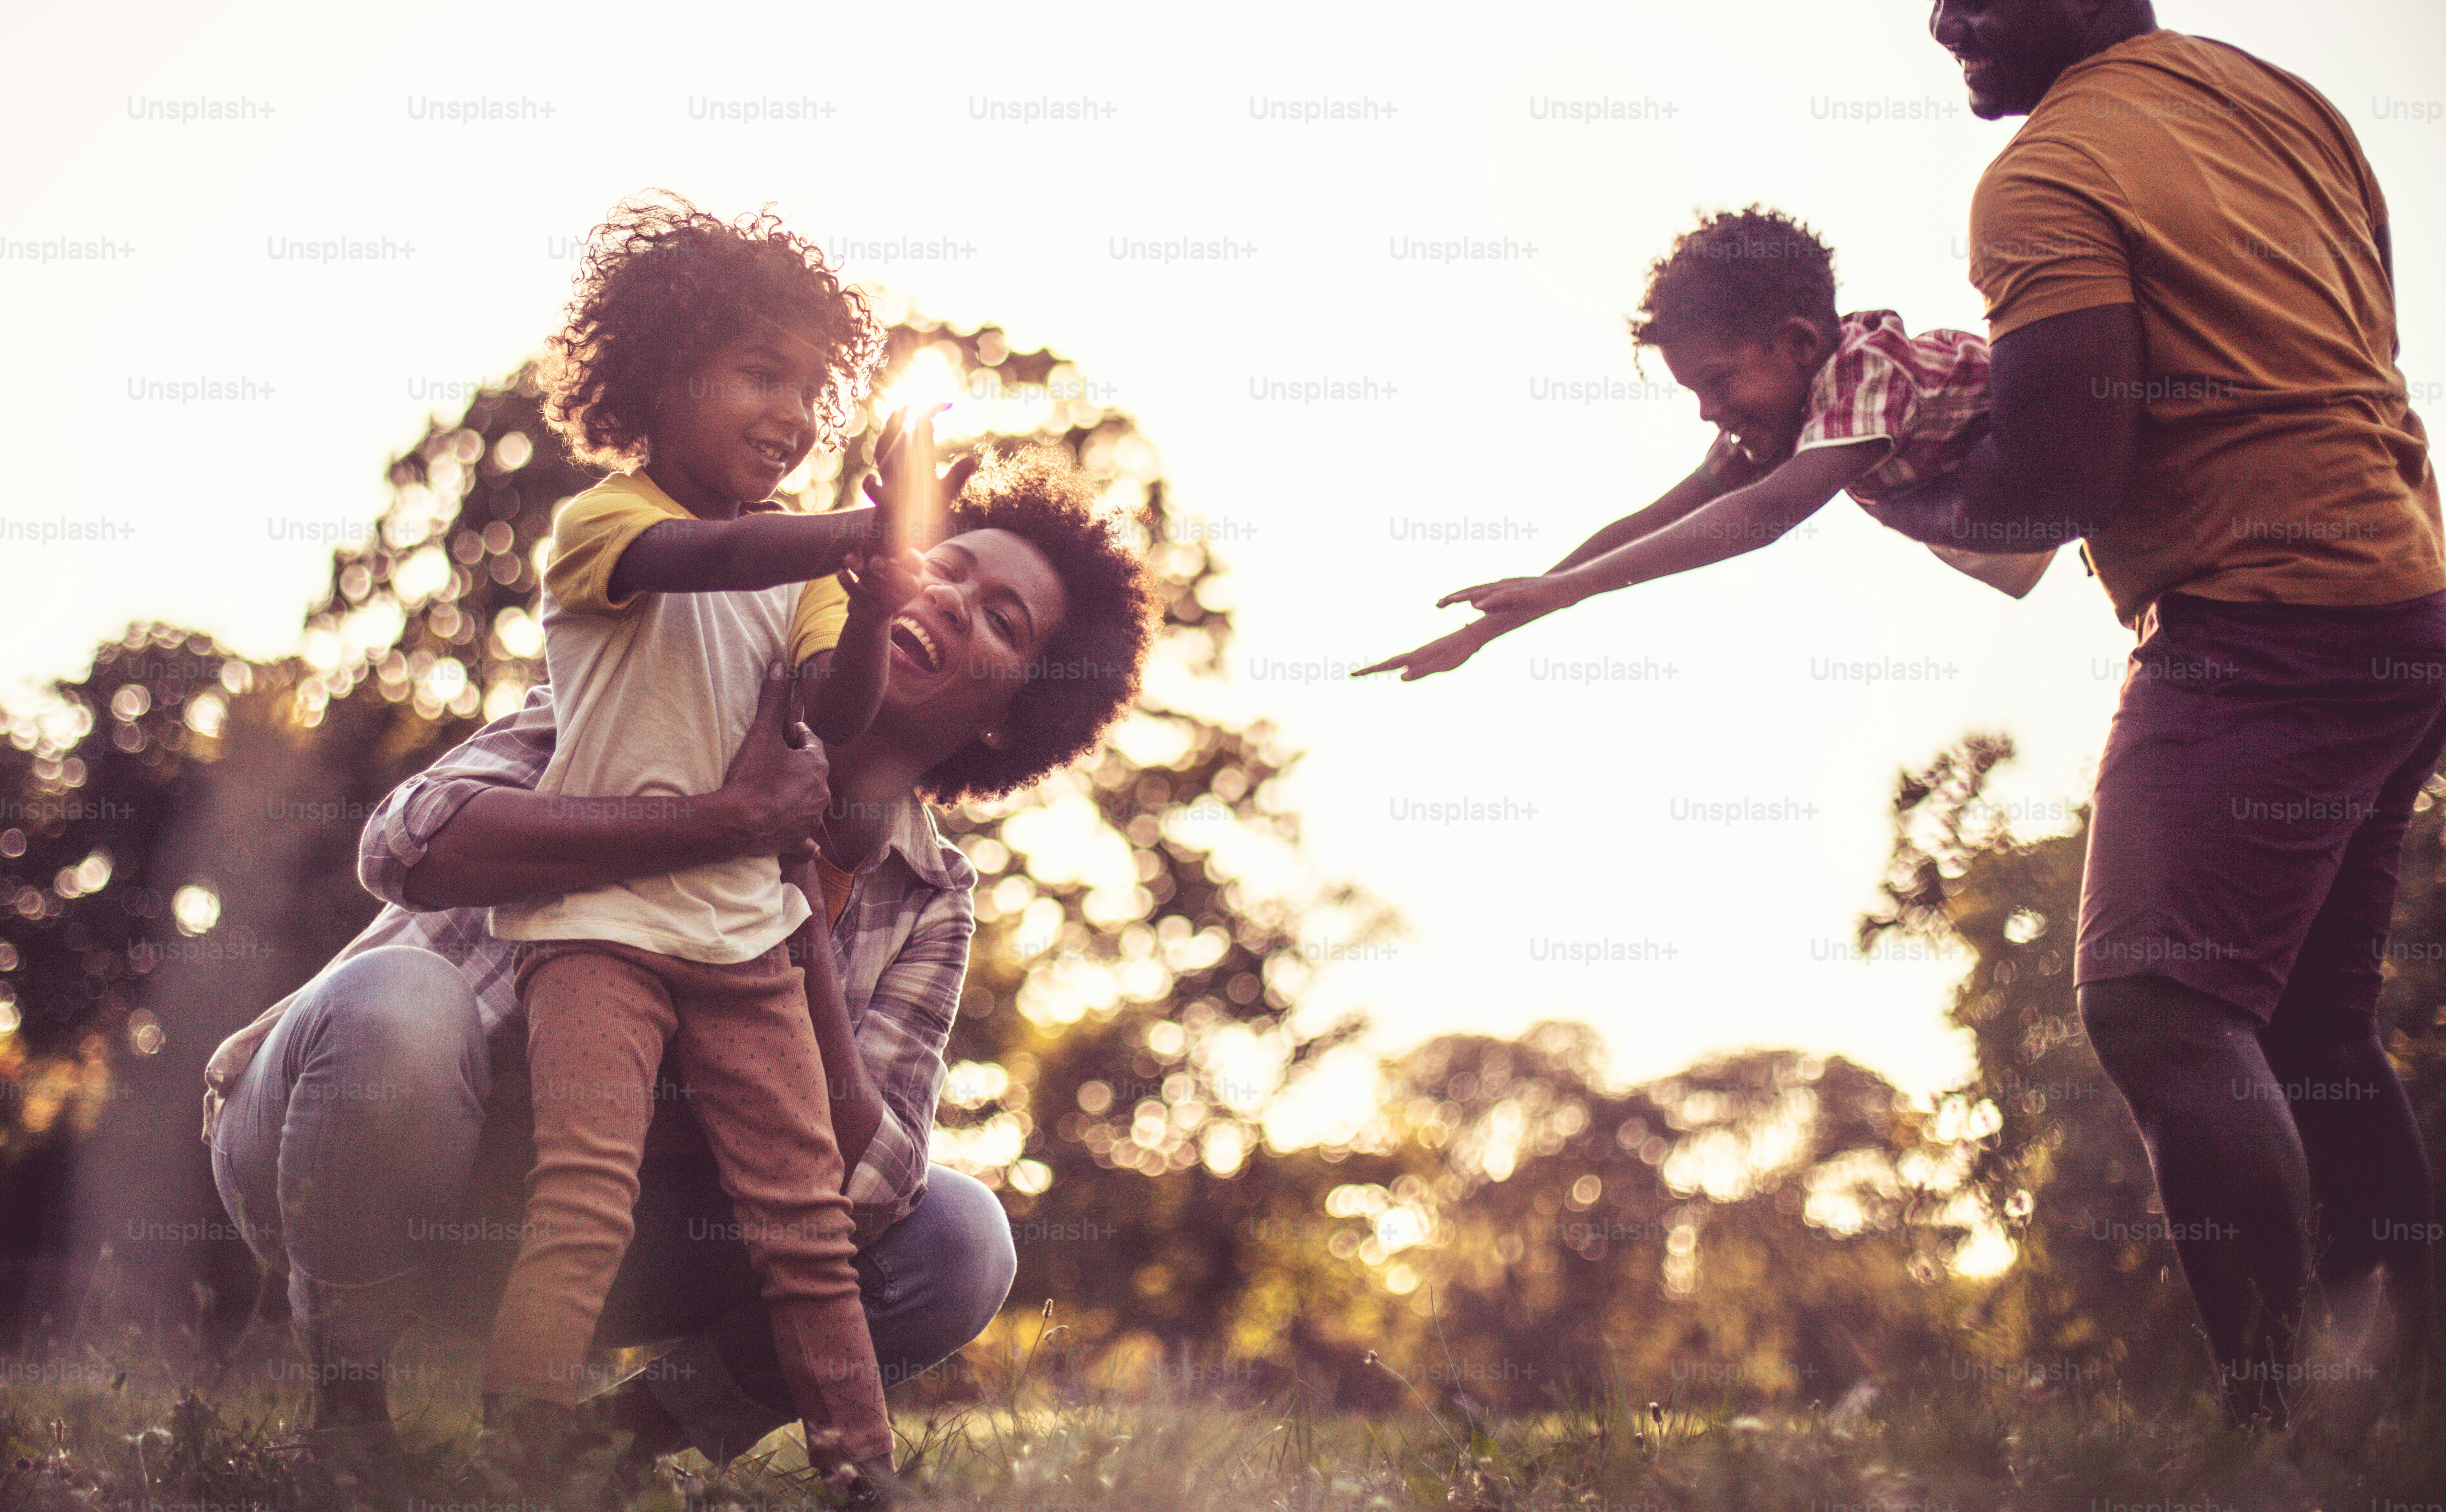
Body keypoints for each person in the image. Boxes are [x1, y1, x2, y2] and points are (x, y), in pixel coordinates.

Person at [203, 449, 1155, 1491]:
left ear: (1006, 717)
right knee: (397, 1008)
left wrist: (799, 929)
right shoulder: (675, 681)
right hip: (351, 1148)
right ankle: (348, 1416)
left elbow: (878, 1189)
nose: (949, 595)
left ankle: (605, 1444)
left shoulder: (927, 896)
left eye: (1002, 619)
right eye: (946, 562)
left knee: (961, 1240)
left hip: (591, 1230)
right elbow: (406, 841)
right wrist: (717, 822)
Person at [1870, 0, 2443, 1429]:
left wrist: (1886, 481)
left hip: (2262, 626)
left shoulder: (2045, 174)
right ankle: (2401, 1414)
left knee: (2155, 1004)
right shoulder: (2276, 94)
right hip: (2404, 598)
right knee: (2315, 1022)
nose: (1944, 25)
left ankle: (2266, 1428)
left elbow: (2058, 473)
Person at [480, 195, 950, 1497]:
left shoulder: (806, 564)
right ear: (662, 376)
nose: (794, 412)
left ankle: (862, 1468)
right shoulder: (603, 524)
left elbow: (836, 713)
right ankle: (515, 1454)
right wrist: (861, 530)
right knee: (581, 1195)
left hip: (744, 934)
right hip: (596, 927)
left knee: (804, 1222)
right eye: (760, 374)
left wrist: (871, 604)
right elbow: (706, 555)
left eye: (812, 387)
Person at [1356, 205, 2051, 683]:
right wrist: (1508, 617)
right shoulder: (1784, 417)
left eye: (1717, 383)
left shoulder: (1865, 368)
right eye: (1694, 393)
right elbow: (1650, 522)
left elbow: (1765, 514)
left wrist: (1571, 587)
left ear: (1798, 343)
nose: (1708, 413)